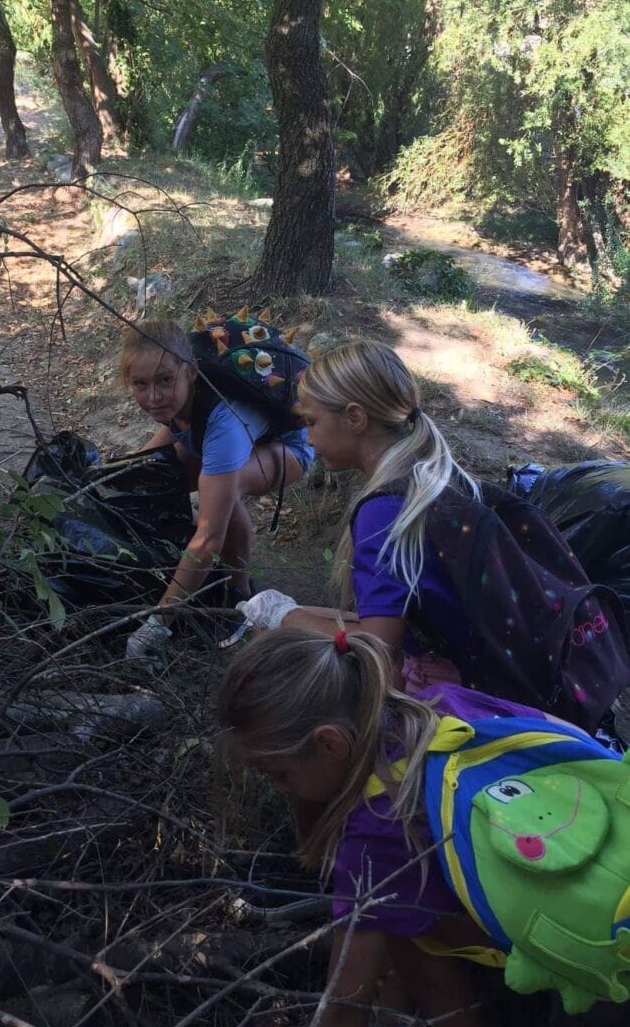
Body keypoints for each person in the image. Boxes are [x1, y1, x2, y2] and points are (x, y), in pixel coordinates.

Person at [236, 339, 629, 730]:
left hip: (489, 712)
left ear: (355, 417)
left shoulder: (382, 513)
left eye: (311, 422)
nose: (308, 439)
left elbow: (377, 649)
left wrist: (284, 616)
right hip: (530, 683)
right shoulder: (441, 478)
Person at [218, 624, 554, 1027]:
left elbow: (344, 1006)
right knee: (401, 912)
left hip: (586, 952)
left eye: (279, 775)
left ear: (329, 743)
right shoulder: (442, 705)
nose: (281, 789)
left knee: (401, 923)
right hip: (589, 867)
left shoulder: (376, 828)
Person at [119, 319, 313, 655]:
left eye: (165, 380)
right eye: (141, 384)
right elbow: (154, 454)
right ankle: (197, 569)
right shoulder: (177, 398)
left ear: (190, 373)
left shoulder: (224, 426)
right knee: (155, 473)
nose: (154, 397)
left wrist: (155, 626)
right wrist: (114, 476)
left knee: (222, 497)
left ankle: (238, 597)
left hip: (289, 448)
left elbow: (208, 540)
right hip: (231, 435)